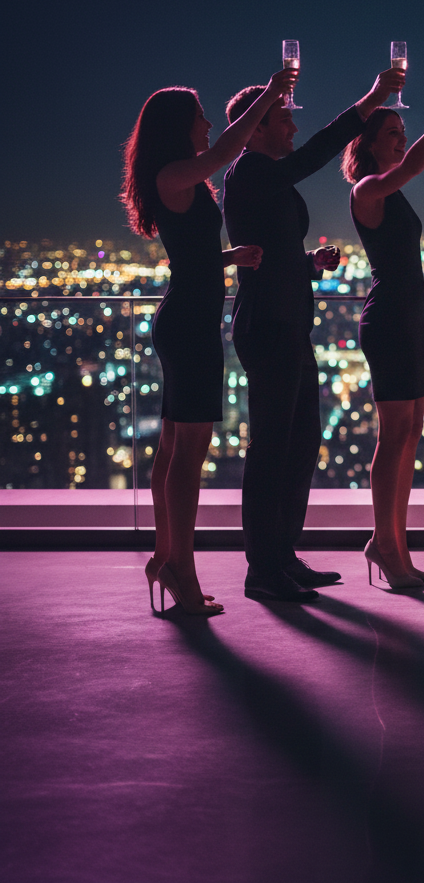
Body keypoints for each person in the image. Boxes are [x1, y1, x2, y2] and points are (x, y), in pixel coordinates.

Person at [224, 67, 404, 603]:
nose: (292, 128)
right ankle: (263, 568)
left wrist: (307, 262)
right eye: (283, 118)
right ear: (254, 128)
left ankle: (282, 555)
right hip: (269, 326)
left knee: (300, 444)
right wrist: (369, 101)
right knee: (272, 449)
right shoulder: (250, 170)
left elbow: (271, 249)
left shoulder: (265, 176)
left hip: (289, 324)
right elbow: (316, 153)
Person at [120, 70, 296, 615]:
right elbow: (225, 148)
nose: (208, 123)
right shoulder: (176, 173)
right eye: (198, 116)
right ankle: (180, 570)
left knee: (174, 446)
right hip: (190, 327)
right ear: (178, 127)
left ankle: (165, 556)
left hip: (189, 320)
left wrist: (228, 257)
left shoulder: (182, 180)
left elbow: (188, 253)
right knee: (188, 453)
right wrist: (269, 94)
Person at [342, 92, 424, 589]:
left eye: (403, 133)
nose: (401, 141)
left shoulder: (390, 193)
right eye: (393, 134)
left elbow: (406, 266)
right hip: (386, 325)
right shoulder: (368, 190)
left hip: (407, 318)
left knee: (411, 432)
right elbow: (413, 168)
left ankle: (395, 543)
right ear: (370, 144)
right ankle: (384, 542)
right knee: (393, 434)